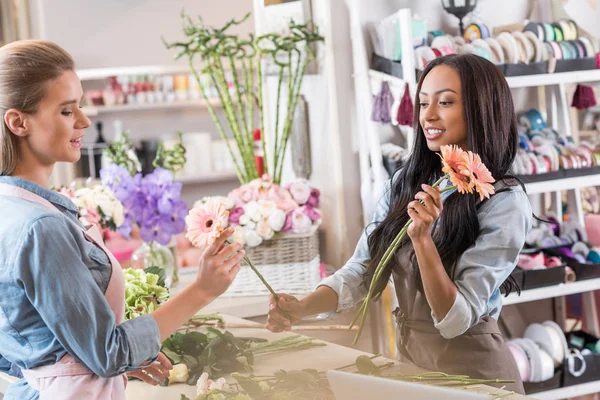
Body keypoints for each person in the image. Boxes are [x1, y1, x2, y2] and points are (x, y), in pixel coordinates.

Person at [266, 54, 531, 394]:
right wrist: (303, 308)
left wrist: (423, 241)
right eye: (423, 103)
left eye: (445, 102)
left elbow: (455, 321)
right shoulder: (405, 183)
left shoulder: (503, 201)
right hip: (411, 365)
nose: (428, 116)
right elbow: (361, 271)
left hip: (477, 376)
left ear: (481, 109)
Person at [0, 40, 245, 400]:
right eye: (67, 111)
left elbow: (21, 345)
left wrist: (86, 362)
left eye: (80, 106)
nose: (84, 121)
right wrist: (203, 290)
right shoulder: (42, 227)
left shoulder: (11, 207)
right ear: (18, 122)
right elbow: (107, 353)